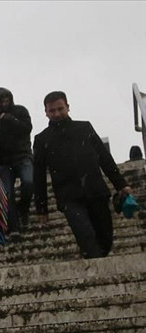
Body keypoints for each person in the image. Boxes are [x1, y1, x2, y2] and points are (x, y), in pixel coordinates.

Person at [33, 91, 132, 259]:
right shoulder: (42, 139)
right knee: (85, 234)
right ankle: (95, 264)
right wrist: (42, 208)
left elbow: (104, 158)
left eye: (60, 109)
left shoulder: (84, 127)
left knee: (105, 237)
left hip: (96, 191)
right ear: (46, 112)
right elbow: (39, 175)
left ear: (68, 107)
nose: (56, 114)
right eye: (52, 111)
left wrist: (121, 185)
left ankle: (95, 259)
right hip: (68, 197)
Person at [0, 87, 33, 236]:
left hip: (23, 156)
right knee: (8, 194)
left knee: (29, 183)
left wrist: (11, 120)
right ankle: (14, 227)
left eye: (7, 100)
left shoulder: (20, 111)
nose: (5, 103)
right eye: (2, 101)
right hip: (3, 161)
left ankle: (23, 209)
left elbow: (27, 129)